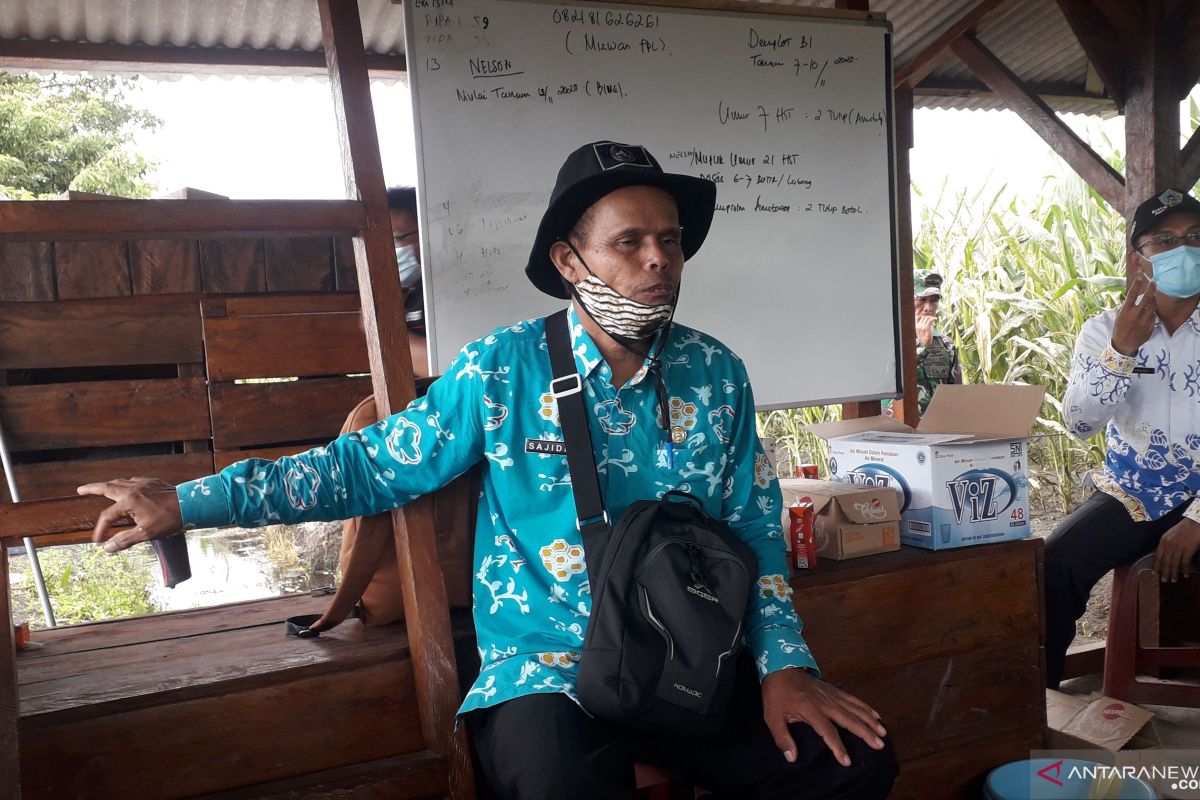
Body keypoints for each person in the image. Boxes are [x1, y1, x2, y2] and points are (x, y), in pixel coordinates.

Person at [80, 140, 897, 799]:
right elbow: (367, 468)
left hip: (693, 661)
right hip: (550, 671)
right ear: (571, 262)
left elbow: (753, 526)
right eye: (630, 242)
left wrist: (787, 666)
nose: (660, 261)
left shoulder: (716, 374)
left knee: (854, 764)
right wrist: (189, 502)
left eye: (671, 241)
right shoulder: (504, 369)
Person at [1044, 187, 1200, 689]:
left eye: (1195, 237)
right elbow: (1079, 423)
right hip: (1133, 492)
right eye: (1164, 240)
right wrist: (1121, 351)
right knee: (1054, 563)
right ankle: (1034, 703)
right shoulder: (1104, 329)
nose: (1184, 250)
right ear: (1139, 257)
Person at [388, 185, 430, 377]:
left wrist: (386, 331)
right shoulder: (411, 293)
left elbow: (443, 367)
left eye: (397, 238)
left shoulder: (443, 293)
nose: (389, 249)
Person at [912, 270, 960, 415]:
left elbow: (956, 396)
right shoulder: (890, 342)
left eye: (934, 300)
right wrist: (921, 348)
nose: (928, 308)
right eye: (921, 299)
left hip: (937, 429)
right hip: (897, 430)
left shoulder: (946, 345)